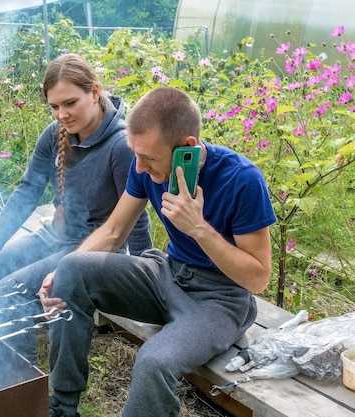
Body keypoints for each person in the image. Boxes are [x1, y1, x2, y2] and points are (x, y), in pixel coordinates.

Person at [40, 86, 276, 417]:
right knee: (71, 268)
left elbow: (258, 278)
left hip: (219, 301)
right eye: (135, 153)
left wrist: (200, 229)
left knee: (153, 361)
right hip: (167, 273)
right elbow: (112, 231)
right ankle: (62, 409)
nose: (138, 168)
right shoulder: (145, 167)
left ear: (187, 148)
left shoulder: (242, 179)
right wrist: (60, 273)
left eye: (148, 157)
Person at [0, 53, 152, 360]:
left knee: (11, 290)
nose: (62, 114)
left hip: (94, 251)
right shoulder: (53, 135)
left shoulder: (121, 146)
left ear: (95, 91)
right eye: (55, 106)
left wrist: (145, 276)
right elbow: (26, 194)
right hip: (55, 234)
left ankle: (18, 379)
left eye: (70, 103)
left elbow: (137, 217)